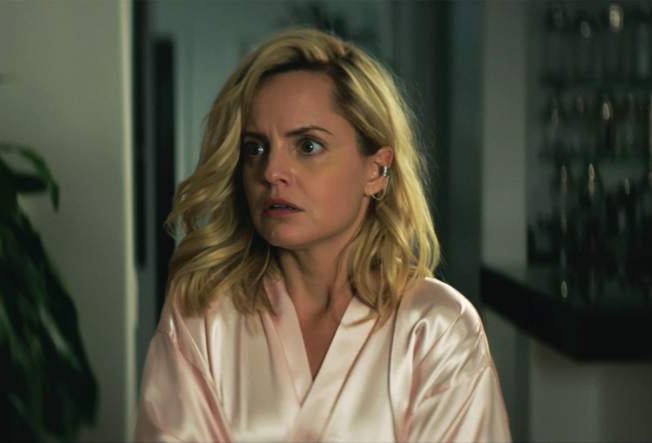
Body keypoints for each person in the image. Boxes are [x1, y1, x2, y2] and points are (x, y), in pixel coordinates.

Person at [135, 28, 511, 442]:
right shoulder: (204, 314)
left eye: (308, 146)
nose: (271, 172)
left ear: (376, 169)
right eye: (255, 148)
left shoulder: (435, 327)